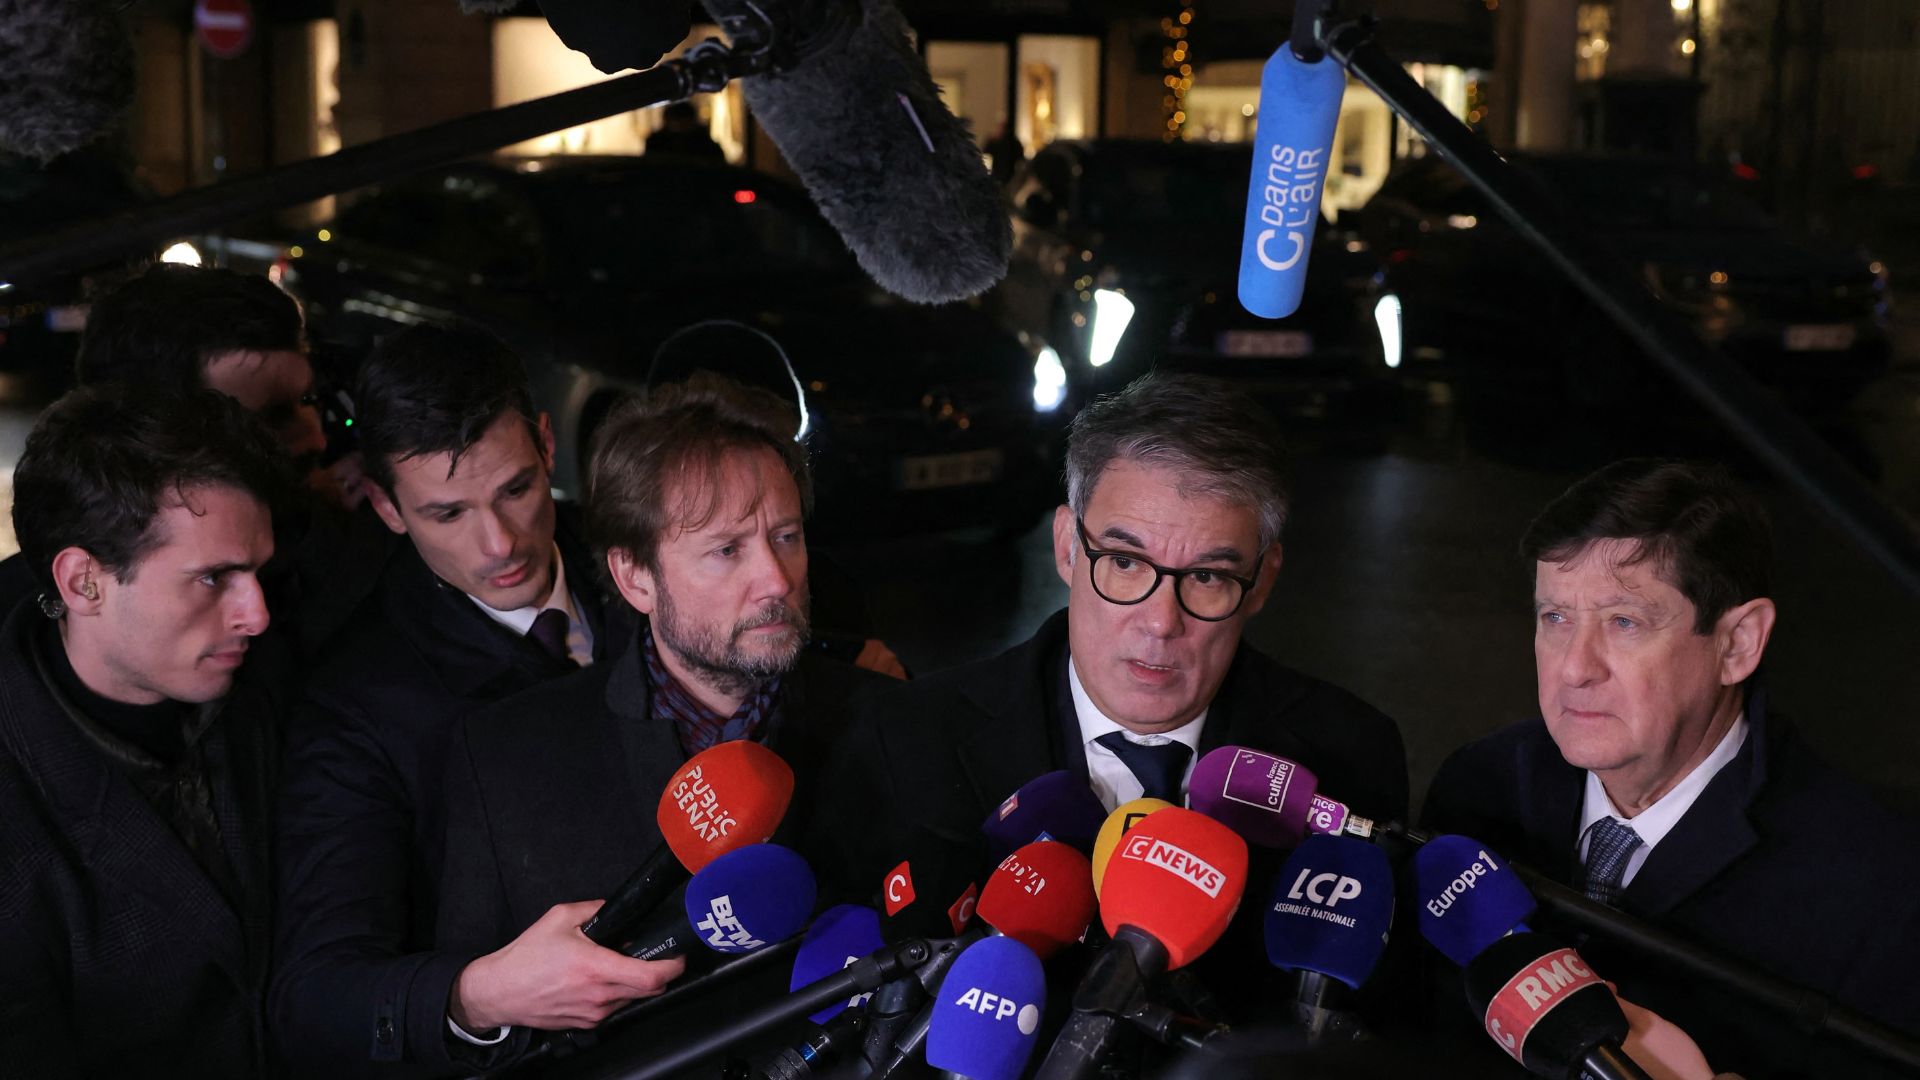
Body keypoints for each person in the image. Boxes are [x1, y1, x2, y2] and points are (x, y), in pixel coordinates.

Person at [812, 372, 1408, 1017]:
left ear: (1262, 581)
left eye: (1208, 575)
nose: (1160, 622)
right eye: (1126, 563)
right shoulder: (906, 737)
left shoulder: (1349, 756)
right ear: (1068, 548)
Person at [434, 375, 894, 1053]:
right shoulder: (504, 755)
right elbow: (486, 1031)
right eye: (726, 549)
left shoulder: (895, 721)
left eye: (787, 536)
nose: (777, 580)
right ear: (634, 577)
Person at [1422, 459, 1920, 1078]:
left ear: (1737, 644)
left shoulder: (1873, 884)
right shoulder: (1482, 787)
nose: (1575, 667)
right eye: (1555, 618)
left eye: (1624, 622)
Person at [269, 323, 661, 1077]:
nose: (499, 544)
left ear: (548, 445)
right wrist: (478, 997)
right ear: (385, 507)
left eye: (515, 488)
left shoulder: (644, 552)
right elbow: (314, 994)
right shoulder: (356, 706)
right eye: (447, 513)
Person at [0, 386, 292, 1076]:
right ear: (84, 583)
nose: (258, 614)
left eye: (258, 571)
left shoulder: (273, 686)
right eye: (214, 578)